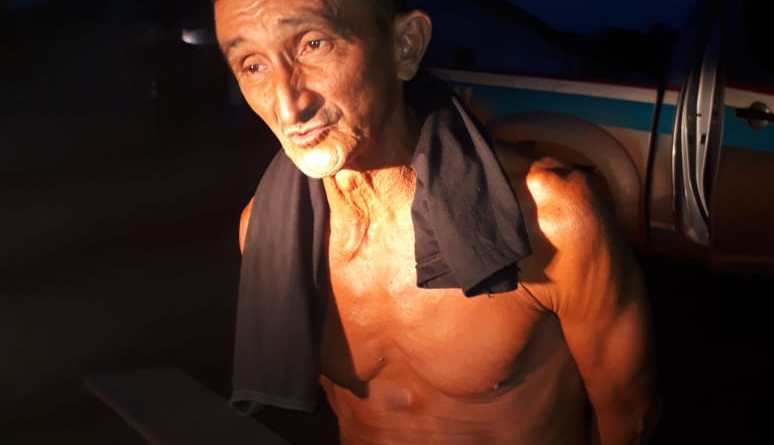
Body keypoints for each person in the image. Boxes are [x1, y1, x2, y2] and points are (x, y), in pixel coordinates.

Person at [213, 0, 659, 443]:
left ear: (405, 46)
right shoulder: (271, 236)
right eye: (253, 65)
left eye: (313, 44)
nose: (288, 107)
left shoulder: (550, 219)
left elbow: (629, 418)